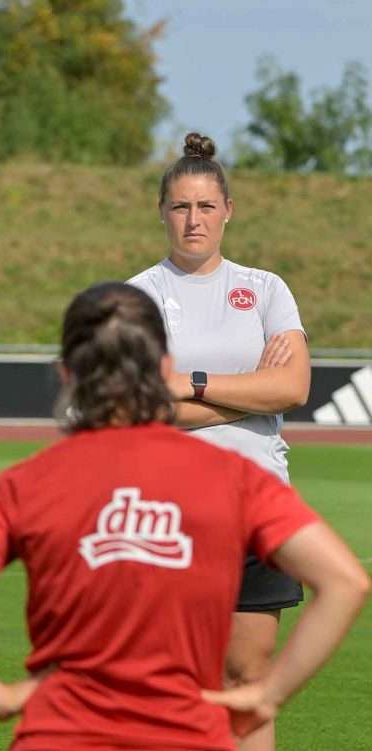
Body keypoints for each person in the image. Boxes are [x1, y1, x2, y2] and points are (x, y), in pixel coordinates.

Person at [0, 281, 369, 751]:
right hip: (189, 734)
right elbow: (346, 582)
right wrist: (269, 694)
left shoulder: (29, 483)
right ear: (165, 367)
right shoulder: (234, 479)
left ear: (66, 374)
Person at [127, 132, 312, 751]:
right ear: (161, 211)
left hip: (257, 508)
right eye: (180, 206)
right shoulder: (138, 296)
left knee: (247, 679)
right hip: (168, 513)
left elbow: (292, 386)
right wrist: (243, 397)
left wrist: (193, 384)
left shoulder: (264, 289)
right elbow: (136, 409)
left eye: (206, 207)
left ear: (228, 209)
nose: (193, 219)